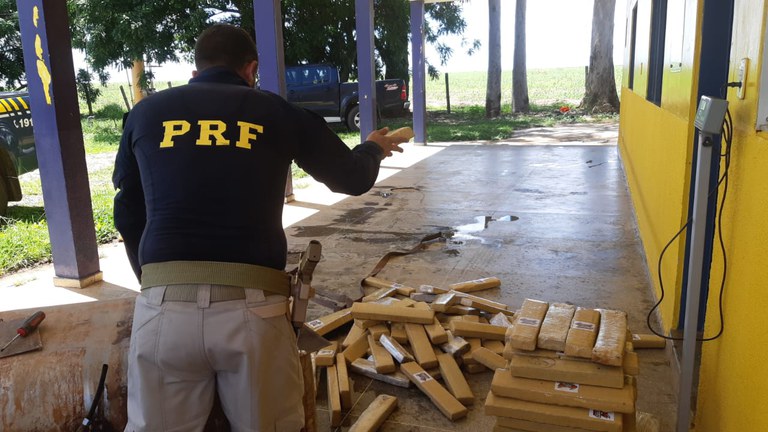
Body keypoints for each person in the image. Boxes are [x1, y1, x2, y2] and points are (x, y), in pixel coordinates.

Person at [113, 24, 407, 432]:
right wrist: (373, 146)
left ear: (195, 71)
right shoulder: (276, 112)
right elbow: (352, 179)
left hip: (164, 308)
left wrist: (154, 283)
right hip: (254, 311)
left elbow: (128, 211)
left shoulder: (145, 113)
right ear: (251, 69)